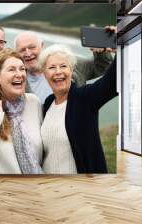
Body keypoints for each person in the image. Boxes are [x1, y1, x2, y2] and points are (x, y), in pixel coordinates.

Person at [39, 44, 116, 174]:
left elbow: (112, 82)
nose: (58, 72)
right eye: (52, 67)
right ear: (44, 74)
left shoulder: (84, 98)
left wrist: (119, 43)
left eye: (63, 66)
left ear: (71, 70)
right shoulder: (48, 103)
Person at [14, 30, 114, 103]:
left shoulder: (69, 61)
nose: (28, 53)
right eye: (22, 50)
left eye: (32, 47)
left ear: (42, 46)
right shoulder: (16, 80)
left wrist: (102, 50)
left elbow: (102, 66)